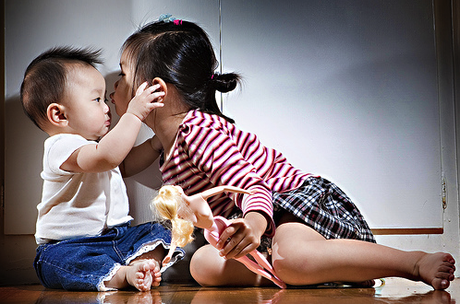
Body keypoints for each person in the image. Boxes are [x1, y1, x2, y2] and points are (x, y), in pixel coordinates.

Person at [109, 18, 456, 290]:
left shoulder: (198, 133)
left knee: (290, 254)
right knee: (202, 265)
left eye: (123, 76)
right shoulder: (163, 144)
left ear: (155, 91)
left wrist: (256, 224)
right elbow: (119, 163)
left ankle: (412, 262)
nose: (113, 88)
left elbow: (251, 185)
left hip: (289, 207)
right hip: (262, 238)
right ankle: (318, 272)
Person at [20, 46, 184, 291]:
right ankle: (120, 276)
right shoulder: (61, 147)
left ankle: (139, 266)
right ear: (59, 115)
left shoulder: (96, 149)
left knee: (160, 230)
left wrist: (155, 143)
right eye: (96, 100)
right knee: (56, 263)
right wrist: (135, 114)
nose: (106, 106)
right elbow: (108, 157)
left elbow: (123, 163)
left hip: (117, 238)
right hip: (70, 246)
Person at [152, 185, 286, 288]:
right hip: (212, 235)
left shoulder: (198, 198)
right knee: (245, 260)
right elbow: (175, 236)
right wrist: (169, 254)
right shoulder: (183, 216)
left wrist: (245, 192)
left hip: (221, 222)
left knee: (254, 252)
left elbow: (222, 188)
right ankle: (273, 278)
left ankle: (274, 272)